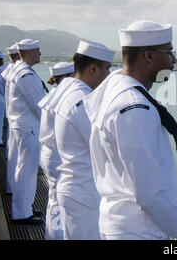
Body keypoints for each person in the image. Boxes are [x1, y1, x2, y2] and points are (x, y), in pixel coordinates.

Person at [82, 21, 177, 240]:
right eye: (169, 52)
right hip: (139, 230)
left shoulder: (116, 89)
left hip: (125, 225)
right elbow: (149, 193)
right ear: (148, 56)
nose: (173, 60)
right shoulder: (134, 108)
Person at [54, 41, 114, 240]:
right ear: (93, 68)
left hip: (78, 189)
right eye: (107, 69)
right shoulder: (83, 100)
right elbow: (104, 144)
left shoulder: (71, 92)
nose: (108, 75)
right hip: (83, 193)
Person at [7, 39, 45, 224]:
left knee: (23, 169)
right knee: (26, 170)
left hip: (22, 126)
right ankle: (21, 212)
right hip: (28, 127)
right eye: (37, 50)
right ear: (29, 53)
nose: (40, 53)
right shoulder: (25, 75)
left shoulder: (18, 69)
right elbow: (39, 106)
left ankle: (23, 208)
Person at [38, 62, 74, 240]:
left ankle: (52, 236)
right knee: (59, 204)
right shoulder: (64, 98)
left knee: (54, 200)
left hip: (49, 152)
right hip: (56, 155)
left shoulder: (53, 95)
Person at [1, 44, 21, 195]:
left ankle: (11, 187)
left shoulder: (9, 71)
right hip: (23, 123)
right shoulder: (21, 74)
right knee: (22, 164)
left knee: (13, 157)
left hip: (13, 118)